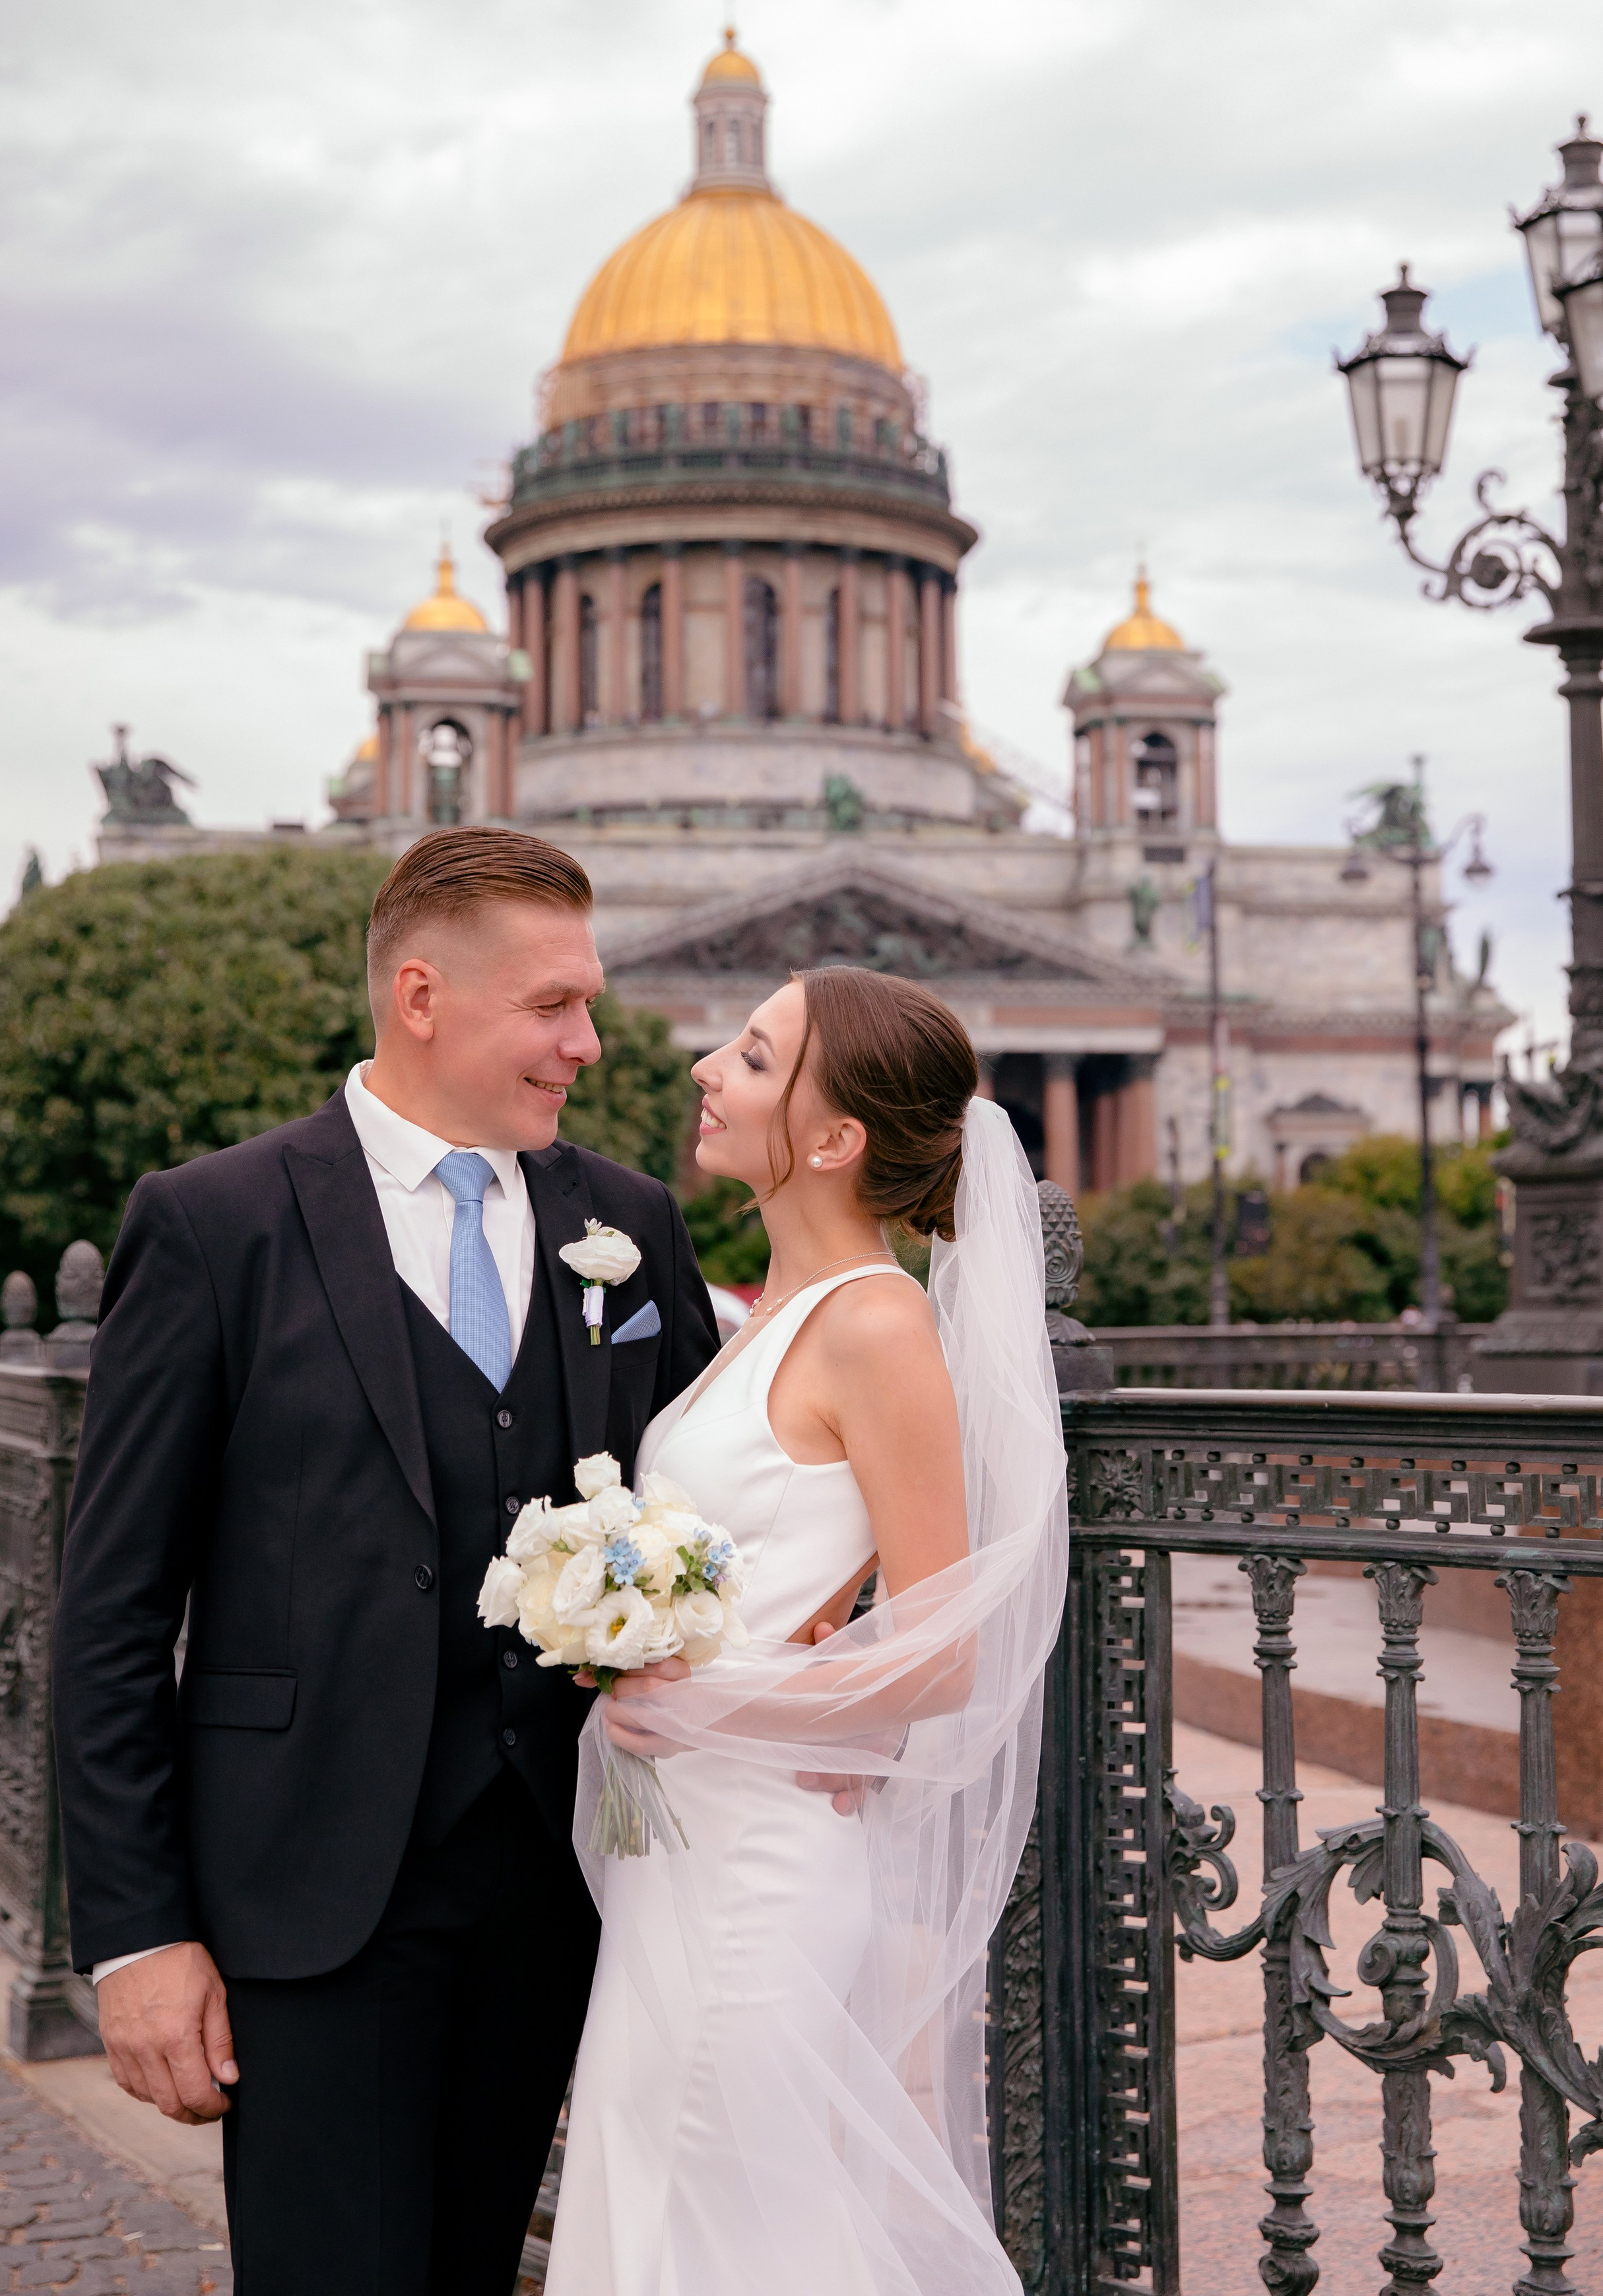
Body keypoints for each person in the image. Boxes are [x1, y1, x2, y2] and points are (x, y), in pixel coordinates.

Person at [50, 827, 719, 2296]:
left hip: (563, 1888)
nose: (589, 1044)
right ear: (422, 996)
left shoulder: (629, 1225)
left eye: (587, 1004)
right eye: (553, 1006)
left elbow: (702, 1505)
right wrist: (136, 1934)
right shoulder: (216, 1222)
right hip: (306, 1900)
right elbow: (108, 1609)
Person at [549, 965, 1067, 2294]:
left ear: (833, 1140)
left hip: (762, 1864)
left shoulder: (876, 1323)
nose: (702, 1069)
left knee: (726, 2215)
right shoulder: (756, 1318)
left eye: (756, 1057)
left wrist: (700, 1701)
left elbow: (946, 1648)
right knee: (659, 2184)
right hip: (692, 1845)